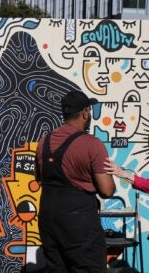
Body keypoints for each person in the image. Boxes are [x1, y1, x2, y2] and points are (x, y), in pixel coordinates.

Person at [36, 90, 116, 273]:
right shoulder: (92, 144)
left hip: (48, 219)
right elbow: (107, 190)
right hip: (79, 223)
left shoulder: (43, 142)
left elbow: (39, 177)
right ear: (85, 113)